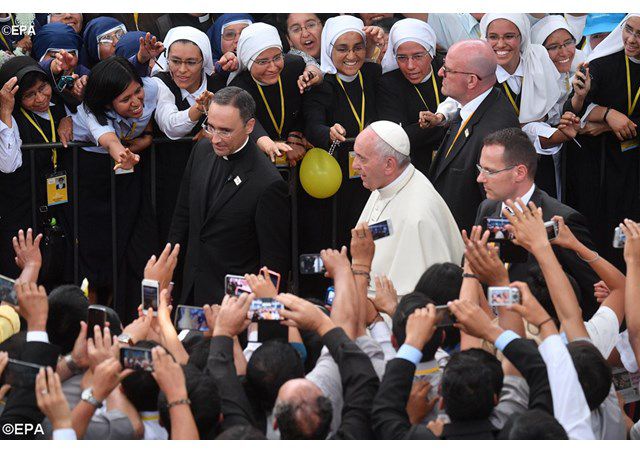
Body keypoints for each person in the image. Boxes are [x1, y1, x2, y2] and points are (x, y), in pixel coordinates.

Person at [168, 86, 290, 306]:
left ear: (249, 126)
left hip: (235, 305)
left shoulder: (268, 183)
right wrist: (169, 279)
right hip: (191, 293)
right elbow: (182, 218)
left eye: (225, 131)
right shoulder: (201, 151)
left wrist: (262, 316)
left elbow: (273, 260)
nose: (215, 139)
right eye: (210, 127)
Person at [474, 127, 600, 319]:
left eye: (489, 171)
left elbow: (594, 292)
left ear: (519, 173)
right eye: (480, 168)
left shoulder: (561, 219)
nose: (480, 178)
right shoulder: (487, 208)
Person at [564, 13, 640, 271]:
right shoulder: (602, 63)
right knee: (600, 234)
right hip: (599, 167)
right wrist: (607, 113)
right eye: (628, 29)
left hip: (633, 168)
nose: (631, 39)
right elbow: (571, 111)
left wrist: (608, 124)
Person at [352, 121, 464, 295]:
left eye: (362, 158)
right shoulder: (385, 184)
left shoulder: (418, 214)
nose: (354, 165)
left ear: (389, 165)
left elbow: (415, 297)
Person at [303, 14, 383, 254]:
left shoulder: (372, 73)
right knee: (341, 238)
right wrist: (328, 132)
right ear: (329, 49)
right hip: (338, 181)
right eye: (342, 49)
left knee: (375, 235)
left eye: (358, 47)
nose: (351, 55)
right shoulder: (322, 84)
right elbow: (312, 125)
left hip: (372, 175)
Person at [427, 39, 519, 233]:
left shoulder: (496, 132)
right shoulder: (470, 108)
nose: (440, 72)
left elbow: (499, 207)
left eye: (448, 69)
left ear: (471, 81)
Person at [0, 56, 73, 288]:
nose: (40, 98)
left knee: (54, 274)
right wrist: (5, 111)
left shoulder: (58, 107)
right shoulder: (11, 119)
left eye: (43, 88)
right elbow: (8, 164)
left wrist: (67, 118)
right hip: (19, 213)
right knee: (19, 278)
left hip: (53, 209)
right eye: (29, 95)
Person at [479, 14, 563, 198]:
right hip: (497, 167)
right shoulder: (480, 70)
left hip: (539, 162)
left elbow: (555, 108)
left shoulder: (538, 60)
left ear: (522, 37)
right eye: (493, 37)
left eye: (509, 36)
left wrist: (539, 120)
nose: (501, 44)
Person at [227, 22, 308, 166]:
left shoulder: (294, 67)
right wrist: (267, 143)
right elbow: (247, 118)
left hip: (297, 155)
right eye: (263, 61)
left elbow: (307, 105)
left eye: (277, 57)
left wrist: (296, 134)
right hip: (258, 162)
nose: (273, 67)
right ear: (248, 61)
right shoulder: (238, 87)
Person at [377, 18, 446, 175]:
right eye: (402, 58)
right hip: (412, 169)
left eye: (418, 56)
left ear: (431, 53)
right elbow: (398, 137)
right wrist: (445, 123)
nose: (410, 66)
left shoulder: (447, 70)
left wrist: (423, 128)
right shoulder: (389, 84)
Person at [530, 15, 586, 200]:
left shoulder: (581, 67)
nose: (563, 52)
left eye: (568, 43)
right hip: (542, 161)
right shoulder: (531, 82)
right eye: (553, 47)